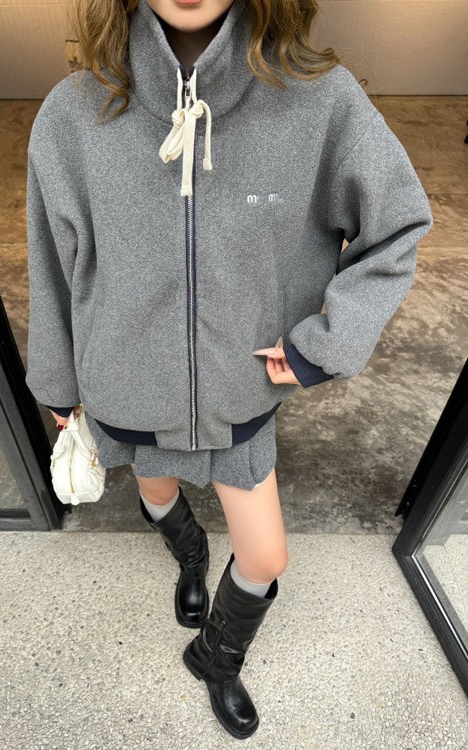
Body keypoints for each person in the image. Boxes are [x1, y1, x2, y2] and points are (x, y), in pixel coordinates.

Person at [25, 0, 433, 739]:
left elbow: (397, 225)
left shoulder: (317, 101)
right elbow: (52, 265)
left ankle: (215, 655)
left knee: (266, 554)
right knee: (155, 489)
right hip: (125, 386)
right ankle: (189, 556)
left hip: (240, 392)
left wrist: (323, 343)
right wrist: (56, 384)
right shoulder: (73, 113)